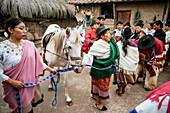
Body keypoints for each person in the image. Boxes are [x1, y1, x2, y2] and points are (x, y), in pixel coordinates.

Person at [0, 17, 57, 113]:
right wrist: (11, 81)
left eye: (25, 29)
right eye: (21, 28)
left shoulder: (29, 44)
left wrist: (49, 69)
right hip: (14, 87)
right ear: (10, 30)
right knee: (20, 109)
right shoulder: (2, 48)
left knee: (29, 107)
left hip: (29, 83)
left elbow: (37, 61)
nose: (24, 31)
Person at [82, 25, 120, 111]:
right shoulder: (97, 44)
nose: (109, 35)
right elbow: (89, 55)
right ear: (102, 36)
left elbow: (115, 53)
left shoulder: (111, 43)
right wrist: (85, 63)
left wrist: (115, 59)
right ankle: (98, 103)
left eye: (109, 33)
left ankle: (96, 97)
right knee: (99, 86)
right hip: (98, 70)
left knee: (102, 86)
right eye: (107, 33)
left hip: (107, 70)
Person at [113, 27, 139, 96]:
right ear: (130, 36)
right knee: (126, 79)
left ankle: (120, 90)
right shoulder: (134, 45)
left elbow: (115, 54)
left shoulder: (118, 44)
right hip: (129, 66)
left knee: (119, 78)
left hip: (120, 65)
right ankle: (123, 89)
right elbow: (136, 57)